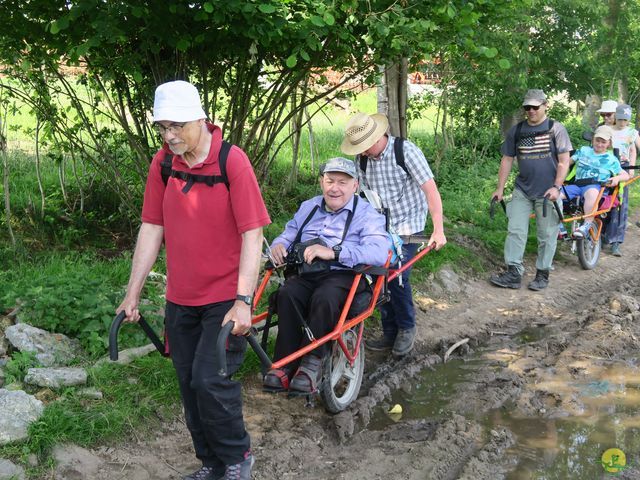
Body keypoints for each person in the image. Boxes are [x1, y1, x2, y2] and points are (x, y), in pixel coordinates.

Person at [116, 80, 270, 480]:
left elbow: (252, 234)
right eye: (163, 127)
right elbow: (152, 226)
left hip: (223, 296)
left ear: (201, 119)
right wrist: (132, 293)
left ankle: (237, 460)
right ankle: (211, 463)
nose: (169, 136)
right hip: (180, 298)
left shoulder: (231, 161)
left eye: (177, 126)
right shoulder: (163, 163)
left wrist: (243, 300)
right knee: (188, 384)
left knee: (209, 381)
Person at [263, 157, 389, 393]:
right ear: (321, 182)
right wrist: (279, 245)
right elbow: (289, 233)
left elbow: (379, 252)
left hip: (345, 274)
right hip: (308, 272)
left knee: (325, 297)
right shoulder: (309, 206)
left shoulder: (366, 214)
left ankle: (313, 363)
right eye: (330, 181)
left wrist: (335, 252)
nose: (335, 188)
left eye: (343, 182)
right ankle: (285, 362)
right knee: (287, 294)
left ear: (355, 186)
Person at [340, 112, 446, 357]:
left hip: (408, 227)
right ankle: (389, 331)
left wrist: (438, 230)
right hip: (380, 229)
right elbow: (360, 198)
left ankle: (406, 327)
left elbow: (431, 190)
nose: (363, 152)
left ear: (377, 137)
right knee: (376, 277)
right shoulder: (362, 160)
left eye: (365, 147)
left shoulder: (406, 152)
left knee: (396, 275)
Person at [489, 89, 572, 291]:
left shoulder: (556, 129)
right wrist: (500, 188)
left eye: (535, 107)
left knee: (547, 234)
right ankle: (513, 273)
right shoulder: (517, 131)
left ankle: (542, 274)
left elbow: (564, 161)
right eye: (527, 107)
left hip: (548, 193)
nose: (531, 111)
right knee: (515, 230)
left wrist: (556, 187)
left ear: (545, 105)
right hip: (522, 190)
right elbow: (507, 159)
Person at [562, 125, 629, 238]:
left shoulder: (611, 159)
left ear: (609, 143)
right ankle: (559, 226)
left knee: (592, 193)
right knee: (554, 195)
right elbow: (567, 162)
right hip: (577, 185)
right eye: (597, 140)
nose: (599, 144)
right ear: (593, 140)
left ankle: (587, 225)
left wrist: (617, 178)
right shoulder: (583, 150)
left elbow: (625, 175)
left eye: (603, 142)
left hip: (595, 186)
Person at [603, 104, 637, 256]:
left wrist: (631, 168)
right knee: (604, 201)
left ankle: (616, 241)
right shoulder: (608, 130)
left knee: (620, 204)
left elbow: (633, 150)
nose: (622, 122)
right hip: (606, 167)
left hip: (623, 168)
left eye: (625, 119)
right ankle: (602, 235)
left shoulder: (632, 132)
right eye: (620, 119)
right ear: (616, 117)